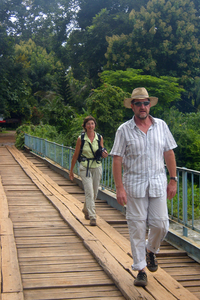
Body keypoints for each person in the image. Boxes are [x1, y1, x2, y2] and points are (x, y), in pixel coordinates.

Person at [110, 87, 177, 287]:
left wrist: (173, 179)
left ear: (150, 105)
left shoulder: (161, 126)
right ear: (132, 106)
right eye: (138, 103)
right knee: (137, 227)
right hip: (134, 185)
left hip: (158, 184)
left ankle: (151, 251)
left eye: (145, 102)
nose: (142, 106)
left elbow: (169, 153)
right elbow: (117, 159)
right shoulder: (124, 130)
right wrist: (119, 187)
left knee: (161, 224)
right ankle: (140, 269)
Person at [69, 116, 108, 226]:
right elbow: (76, 155)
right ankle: (92, 216)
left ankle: (86, 209)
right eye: (88, 124)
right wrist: (71, 170)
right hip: (84, 166)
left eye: (92, 123)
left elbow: (102, 150)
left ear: (95, 125)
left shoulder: (99, 137)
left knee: (95, 192)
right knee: (89, 191)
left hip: (97, 166)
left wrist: (104, 154)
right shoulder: (81, 138)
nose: (90, 126)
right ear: (85, 126)